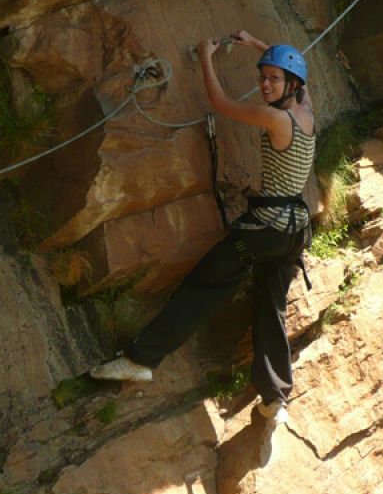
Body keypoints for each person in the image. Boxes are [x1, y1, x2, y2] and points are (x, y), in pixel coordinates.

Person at [90, 30, 316, 427]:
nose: (264, 84)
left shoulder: (275, 118)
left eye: (273, 79)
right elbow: (296, 68)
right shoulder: (306, 112)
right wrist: (257, 44)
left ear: (291, 84)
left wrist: (205, 56)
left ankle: (141, 359)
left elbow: (221, 103)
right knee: (271, 306)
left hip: (265, 228)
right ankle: (274, 397)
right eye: (263, 76)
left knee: (206, 285)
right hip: (294, 232)